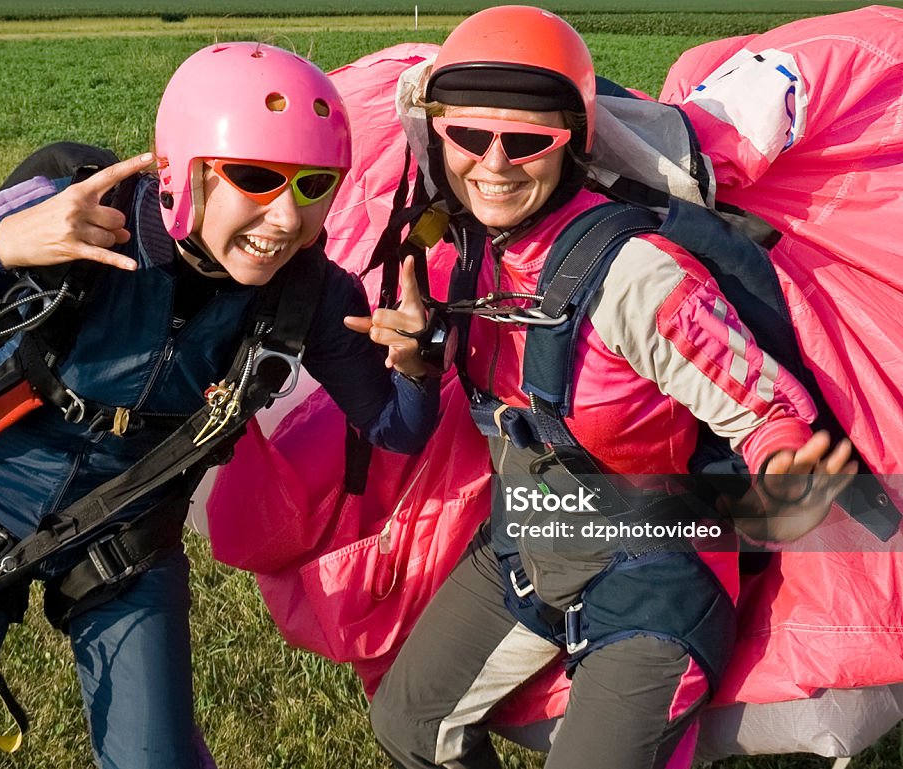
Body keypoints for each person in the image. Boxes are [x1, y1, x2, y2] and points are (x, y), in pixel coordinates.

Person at [0, 42, 437, 768]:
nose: (283, 218)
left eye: (313, 186)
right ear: (182, 169)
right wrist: (3, 242)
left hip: (123, 544)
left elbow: (395, 427)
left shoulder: (310, 291)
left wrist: (420, 368)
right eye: (257, 178)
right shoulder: (73, 211)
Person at [360, 7, 856, 769]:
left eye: (527, 141)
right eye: (467, 136)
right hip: (530, 539)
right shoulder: (471, 250)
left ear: (573, 143)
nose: (493, 164)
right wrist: (426, 355)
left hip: (657, 575)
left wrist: (786, 465)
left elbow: (769, 410)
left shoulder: (638, 276)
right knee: (408, 723)